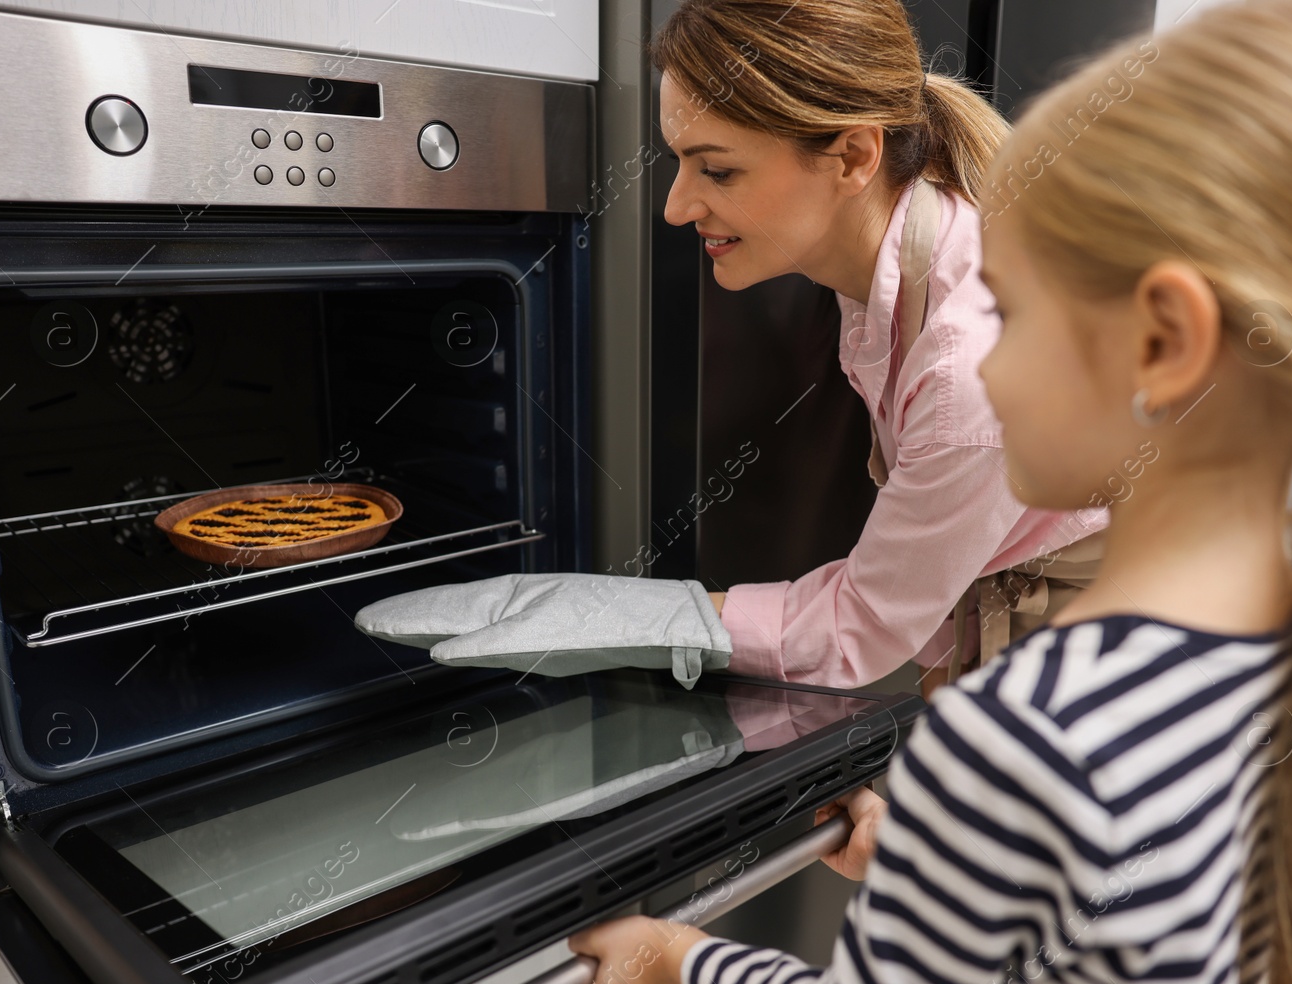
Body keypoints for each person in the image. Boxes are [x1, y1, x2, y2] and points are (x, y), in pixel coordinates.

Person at [568, 2, 1292, 984]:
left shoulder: (1020, 738)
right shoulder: (1279, 673)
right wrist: (953, 862)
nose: (984, 363)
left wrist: (679, 959)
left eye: (1013, 311)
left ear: (1166, 341)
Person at [355, 0, 1107, 698]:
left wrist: (670, 618)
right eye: (679, 159)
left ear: (852, 157)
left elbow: (862, 625)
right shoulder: (894, 253)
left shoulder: (970, 369)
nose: (677, 206)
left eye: (717, 169)